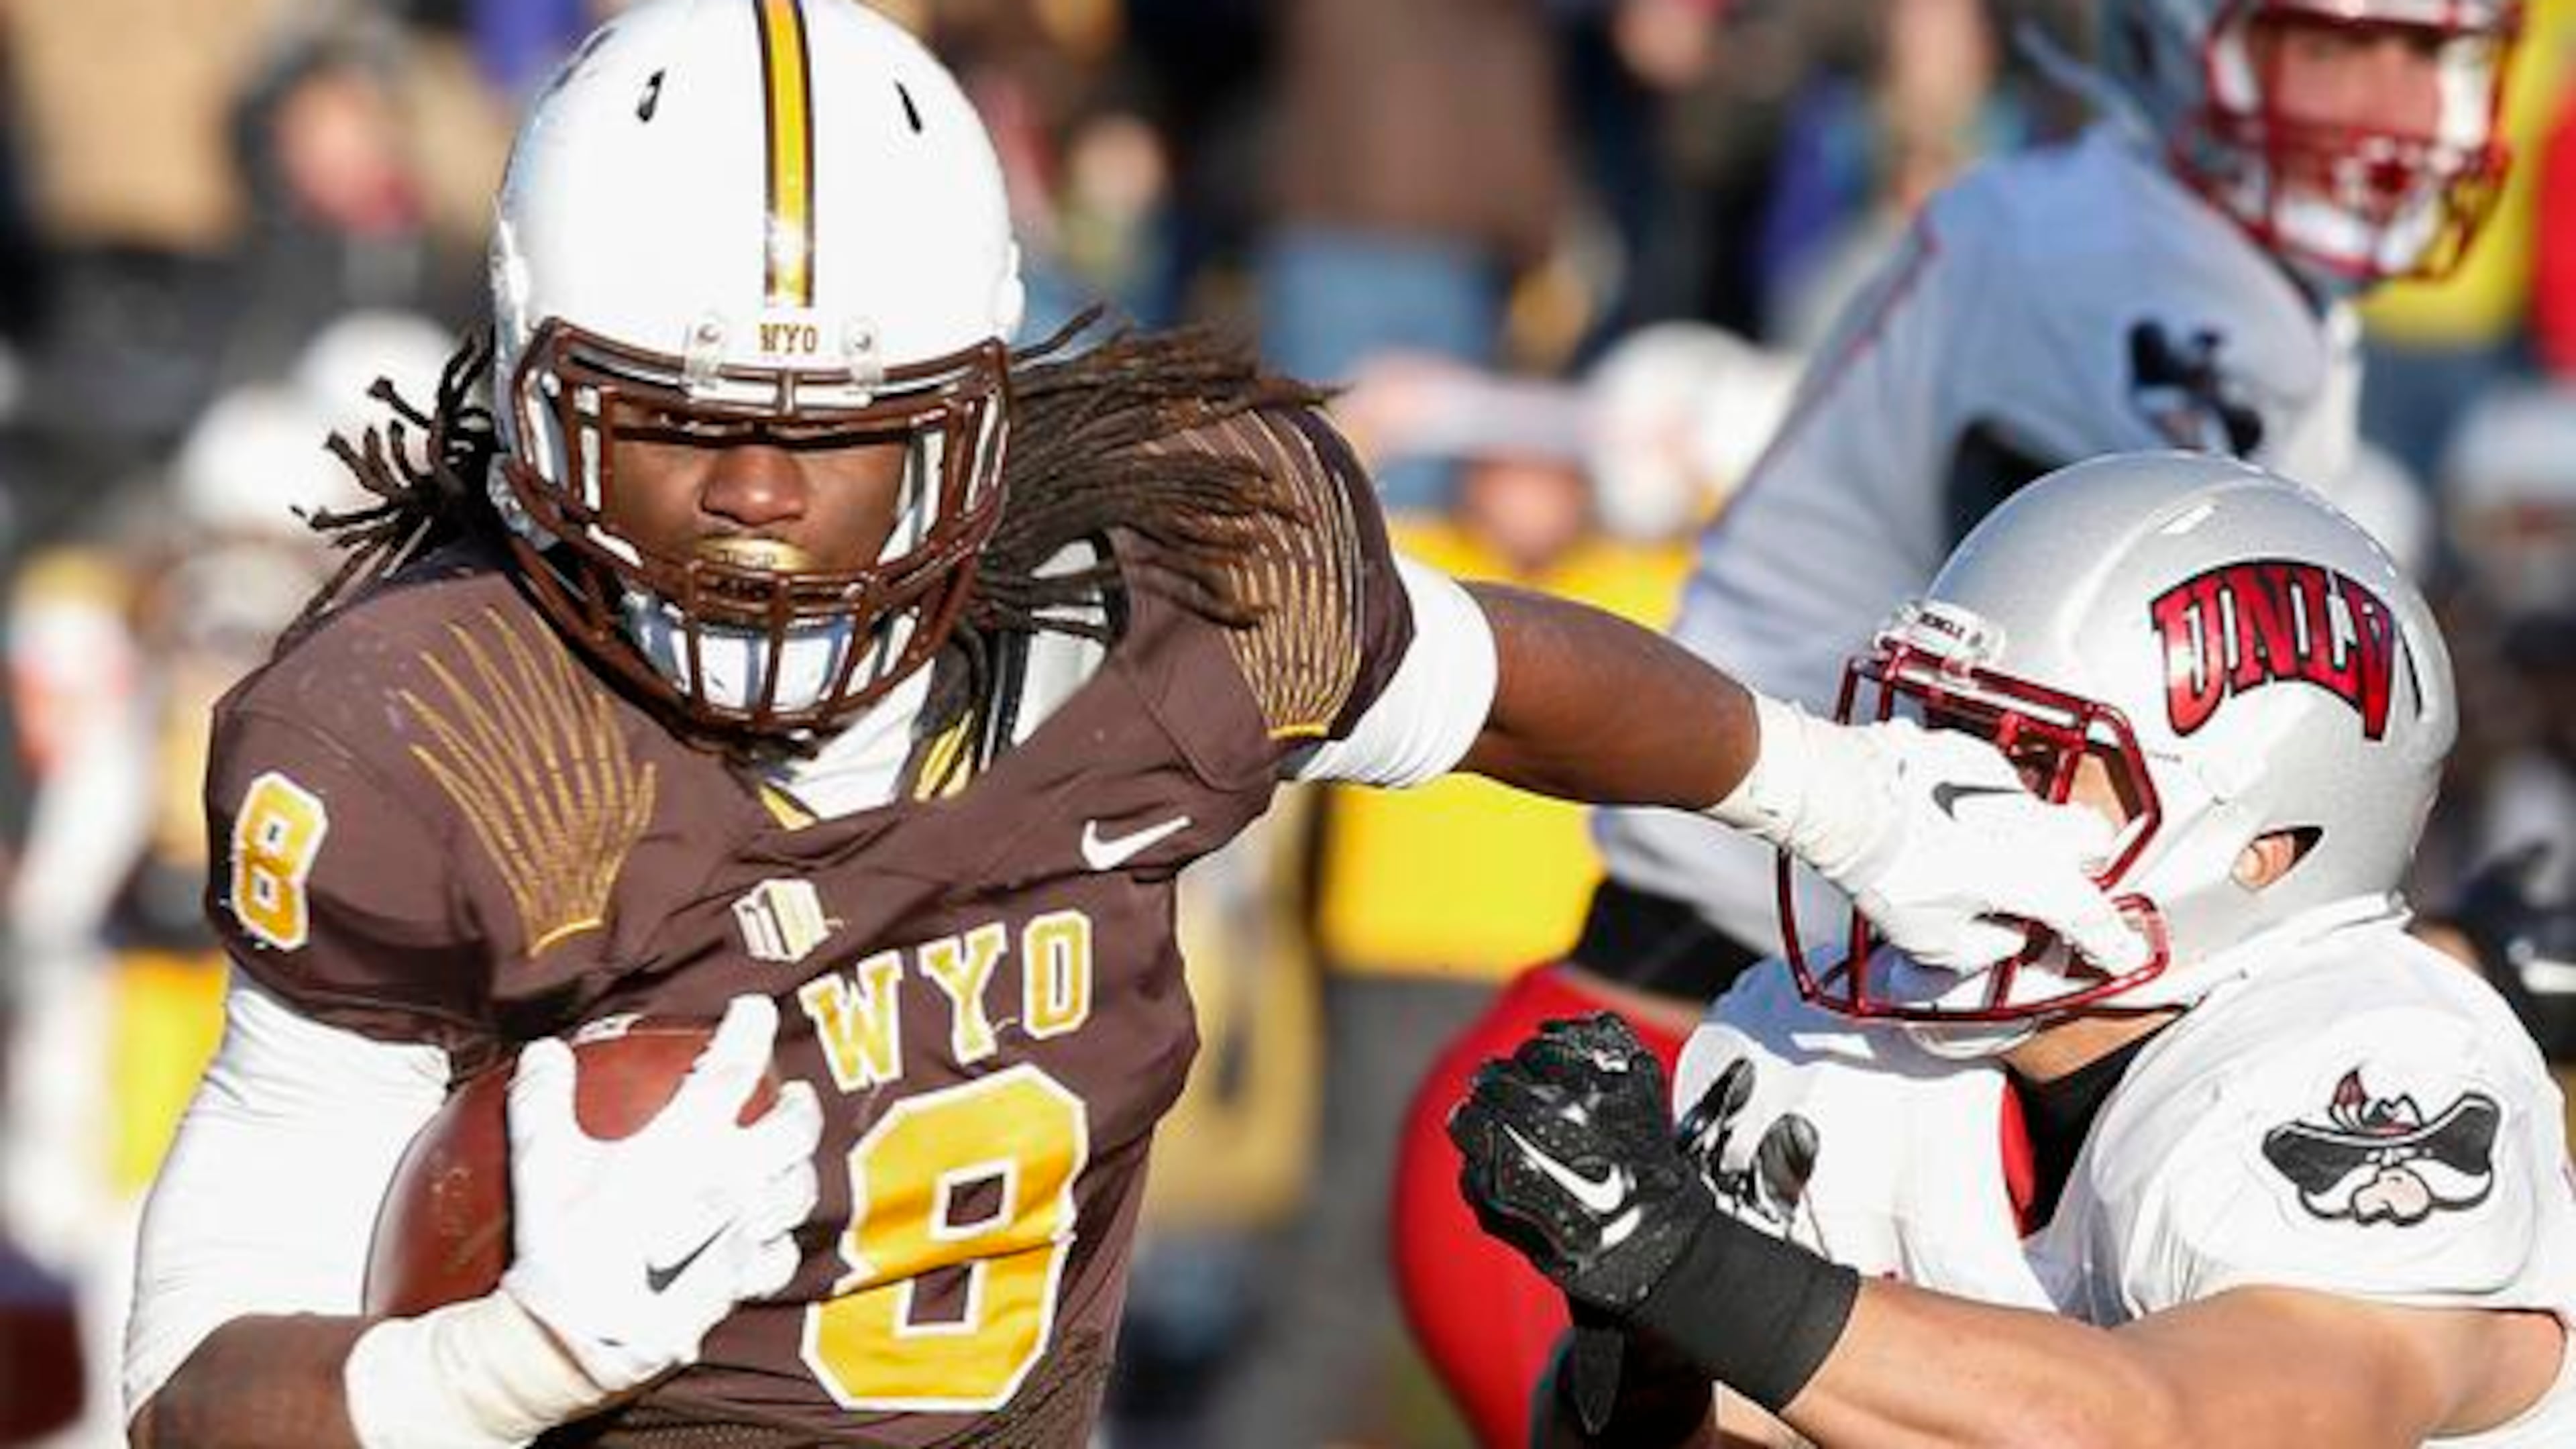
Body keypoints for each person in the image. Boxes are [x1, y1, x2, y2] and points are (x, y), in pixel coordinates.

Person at [113, 4, 2146, 1447]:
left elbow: (1492, 676)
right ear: (542, 408)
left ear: (979, 429)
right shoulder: (436, 728)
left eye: (836, 445)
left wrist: (1855, 800)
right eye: (675, 427)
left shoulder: (1161, 592)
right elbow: (187, 1391)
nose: (752, 504)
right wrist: (505, 1368)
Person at [1394, 3, 2529, 1441]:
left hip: (1970, 1046)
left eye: (2437, 55)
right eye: (2338, 41)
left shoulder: (2196, 264)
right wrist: (1677, 1290)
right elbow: (2141, 786)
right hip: (1773, 1028)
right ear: (2182, 38)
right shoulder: (2127, 273)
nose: (2404, 114)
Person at [1452, 452, 2576, 1448]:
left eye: (2028, 758)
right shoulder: (1835, 1048)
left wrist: (1688, 1259)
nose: (1938, 789)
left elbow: (2154, 1430)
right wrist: (1647, 1345)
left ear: (2265, 848)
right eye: (1939, 726)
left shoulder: (2382, 1055)